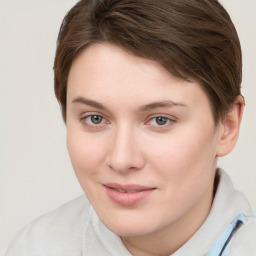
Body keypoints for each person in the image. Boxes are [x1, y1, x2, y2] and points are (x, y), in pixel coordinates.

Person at [6, 0, 256, 255]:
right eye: (95, 118)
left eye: (160, 120)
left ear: (227, 126)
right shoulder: (34, 248)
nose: (121, 159)